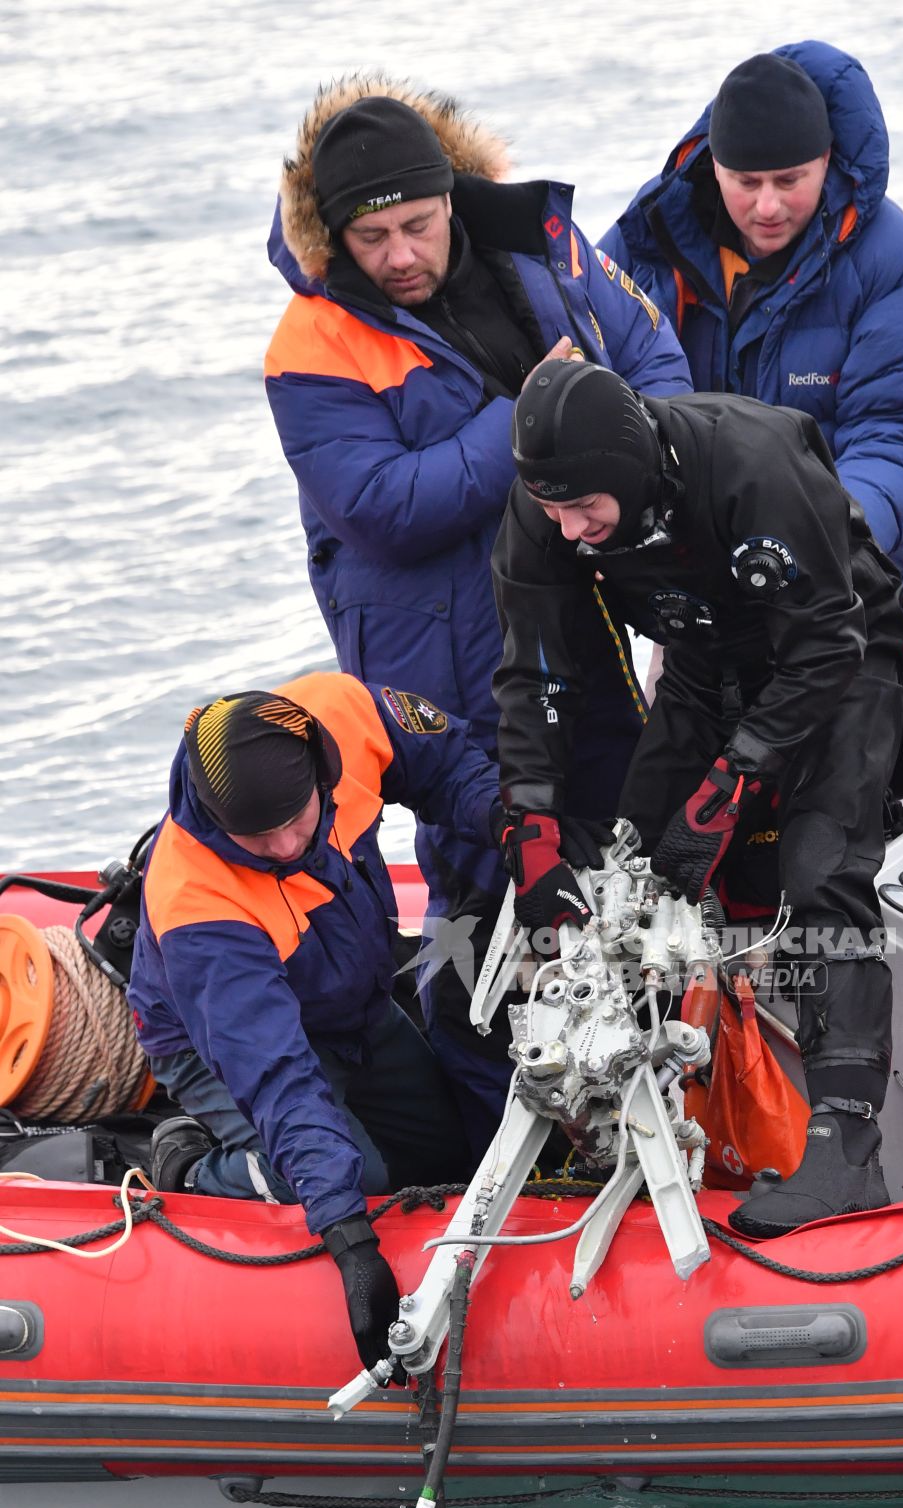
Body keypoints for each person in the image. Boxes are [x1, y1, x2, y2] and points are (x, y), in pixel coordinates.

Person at [264, 80, 692, 1132]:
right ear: (336, 234)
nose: (400, 254)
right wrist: (537, 413)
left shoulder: (545, 247)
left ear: (451, 196)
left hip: (583, 611)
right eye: (372, 237)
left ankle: (643, 1095)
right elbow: (382, 507)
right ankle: (486, 1126)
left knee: (625, 841)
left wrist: (616, 453)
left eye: (417, 224)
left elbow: (656, 370)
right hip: (444, 658)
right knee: (487, 879)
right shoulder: (310, 344)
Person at [490, 361, 903, 1237]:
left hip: (841, 654)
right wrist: (529, 824)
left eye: (583, 511)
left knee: (819, 867)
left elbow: (827, 644)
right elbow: (536, 678)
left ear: (630, 472)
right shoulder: (548, 513)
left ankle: (847, 1147)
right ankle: (614, 1117)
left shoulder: (752, 461)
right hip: (701, 665)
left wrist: (731, 788)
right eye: (553, 511)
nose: (568, 532)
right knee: (626, 870)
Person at [127, 674, 500, 1374]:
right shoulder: (198, 904)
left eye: (295, 821)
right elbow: (279, 1076)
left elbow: (448, 765)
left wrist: (513, 827)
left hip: (350, 1006)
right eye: (255, 835)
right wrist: (352, 1242)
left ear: (323, 771)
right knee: (358, 1174)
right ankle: (190, 1166)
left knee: (451, 1148)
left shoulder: (345, 713)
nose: (281, 846)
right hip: (219, 1042)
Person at [600, 42, 903, 666]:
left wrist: (819, 538)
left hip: (860, 593)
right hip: (706, 603)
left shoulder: (892, 262)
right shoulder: (648, 241)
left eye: (790, 181)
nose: (766, 206)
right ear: (714, 165)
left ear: (826, 161)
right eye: (746, 182)